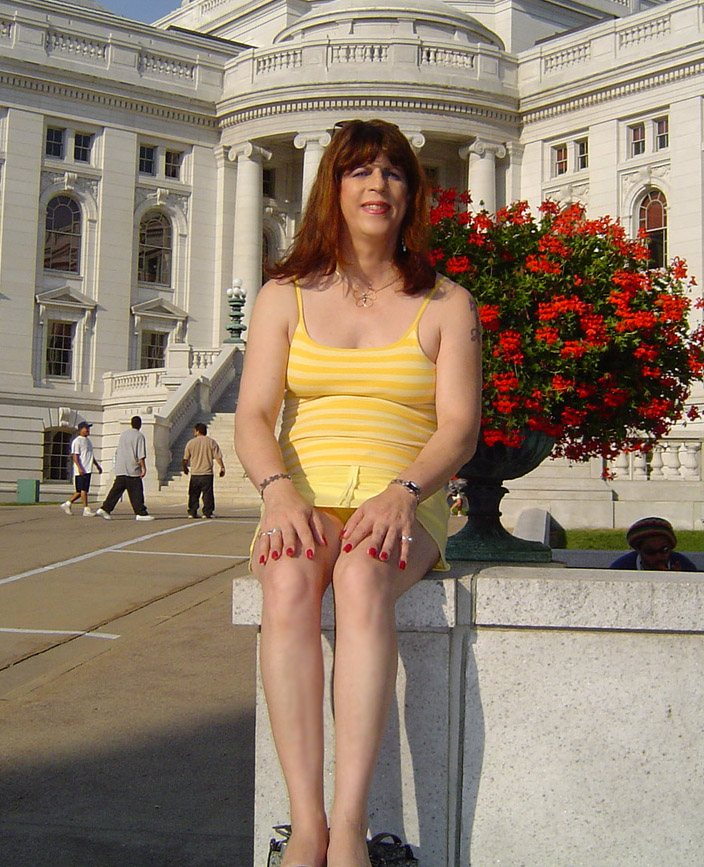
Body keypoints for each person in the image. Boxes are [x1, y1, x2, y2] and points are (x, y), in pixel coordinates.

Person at [234, 119, 481, 867]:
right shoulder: (284, 294)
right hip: (299, 492)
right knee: (286, 583)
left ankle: (349, 826)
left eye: (394, 173)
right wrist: (276, 491)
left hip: (405, 493)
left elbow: (460, 427)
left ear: (412, 194)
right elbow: (250, 415)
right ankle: (304, 821)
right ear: (333, 189)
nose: (378, 186)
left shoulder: (447, 302)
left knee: (363, 572)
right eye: (360, 171)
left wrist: (405, 491)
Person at [95, 416, 154, 522]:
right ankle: (140, 512)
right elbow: (141, 454)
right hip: (132, 469)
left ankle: (105, 508)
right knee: (137, 492)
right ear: (140, 425)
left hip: (121, 468)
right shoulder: (139, 436)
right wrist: (143, 468)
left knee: (116, 491)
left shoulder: (124, 435)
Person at [610, 516, 697, 571]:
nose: (658, 557)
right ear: (638, 550)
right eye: (650, 552)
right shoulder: (621, 568)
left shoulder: (684, 566)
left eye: (664, 550)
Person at [182, 422, 226, 519]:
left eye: (195, 431)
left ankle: (192, 512)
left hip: (195, 473)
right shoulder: (211, 442)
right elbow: (218, 456)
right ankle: (207, 512)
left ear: (197, 431)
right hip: (207, 473)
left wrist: (185, 467)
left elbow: (186, 458)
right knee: (207, 494)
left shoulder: (191, 443)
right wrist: (222, 467)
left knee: (193, 494)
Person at [60, 421, 102, 516]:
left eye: (88, 428)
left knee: (80, 491)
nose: (87, 430)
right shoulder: (77, 441)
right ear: (80, 430)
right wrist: (79, 467)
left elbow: (90, 455)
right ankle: (86, 509)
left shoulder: (88, 441)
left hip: (88, 468)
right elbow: (75, 455)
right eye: (85, 428)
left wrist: (97, 465)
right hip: (82, 469)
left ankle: (67, 504)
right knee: (83, 490)